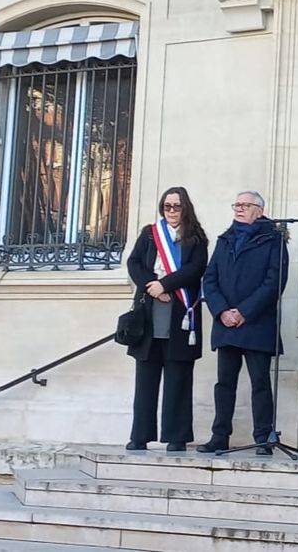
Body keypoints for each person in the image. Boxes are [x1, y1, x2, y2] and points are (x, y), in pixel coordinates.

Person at [197, 191, 289, 455]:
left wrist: (244, 312)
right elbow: (210, 279)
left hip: (256, 324)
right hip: (226, 323)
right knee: (224, 383)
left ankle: (263, 438)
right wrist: (222, 311)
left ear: (259, 211)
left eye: (245, 205)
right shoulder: (224, 240)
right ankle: (219, 436)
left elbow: (274, 282)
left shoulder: (273, 239)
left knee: (260, 383)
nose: (239, 209)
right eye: (236, 204)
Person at [125, 187, 209, 452]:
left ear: (186, 208)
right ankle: (140, 435)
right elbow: (134, 263)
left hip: (180, 315)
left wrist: (166, 285)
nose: (171, 211)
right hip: (149, 314)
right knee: (145, 381)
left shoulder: (196, 237)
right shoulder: (150, 234)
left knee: (179, 380)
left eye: (176, 206)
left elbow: (196, 269)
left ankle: (177, 436)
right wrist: (152, 286)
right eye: (167, 206)